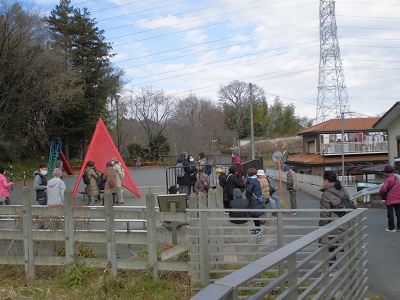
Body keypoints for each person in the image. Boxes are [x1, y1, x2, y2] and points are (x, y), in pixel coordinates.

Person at [379, 165, 400, 232]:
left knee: (390, 213)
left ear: (386, 171)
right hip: (398, 198)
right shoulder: (396, 178)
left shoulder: (388, 179)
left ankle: (391, 227)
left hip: (390, 199)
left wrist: (380, 193)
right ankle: (399, 227)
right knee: (398, 213)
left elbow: (384, 188)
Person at [245, 167, 265, 235]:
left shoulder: (251, 181)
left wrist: (246, 194)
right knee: (255, 216)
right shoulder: (256, 180)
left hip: (254, 200)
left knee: (255, 216)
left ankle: (258, 230)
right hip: (258, 199)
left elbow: (248, 191)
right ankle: (257, 229)